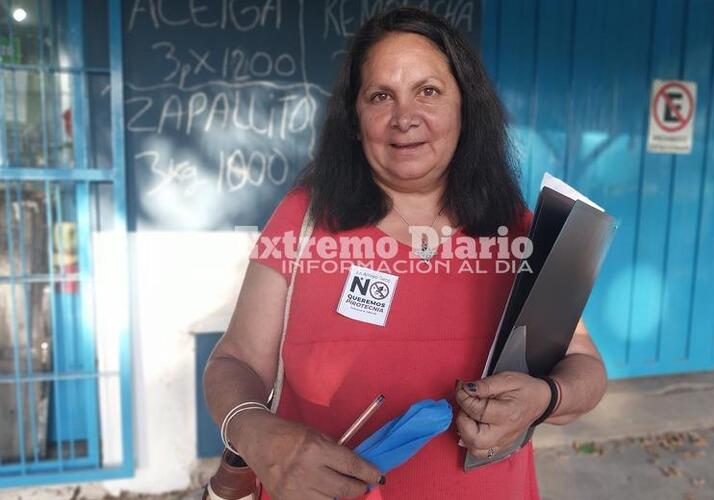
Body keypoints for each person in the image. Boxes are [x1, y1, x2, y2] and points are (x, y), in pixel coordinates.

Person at [204, 7, 607, 500]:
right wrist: (256, 432)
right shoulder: (305, 219)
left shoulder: (518, 231)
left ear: (465, 107)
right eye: (380, 96)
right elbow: (236, 359)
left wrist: (544, 399)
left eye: (429, 91)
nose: (405, 118)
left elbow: (585, 367)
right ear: (355, 120)